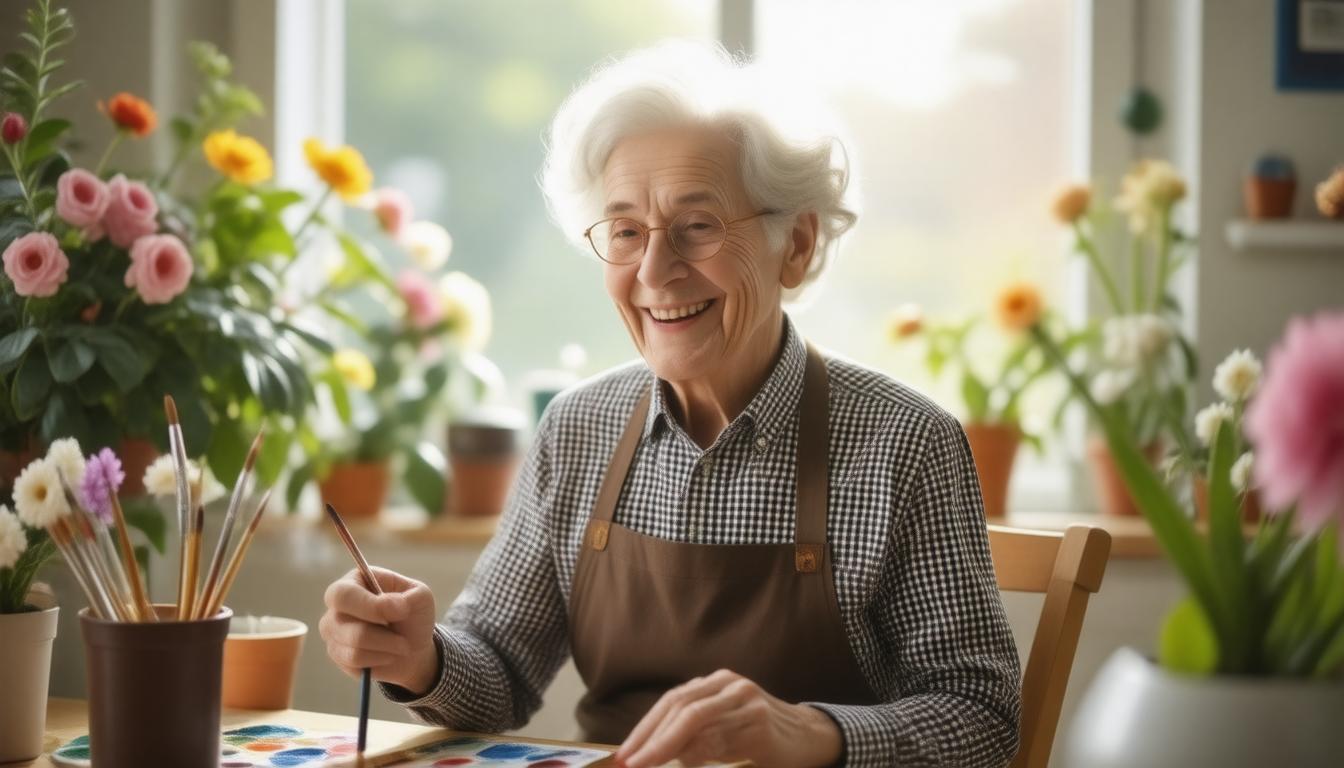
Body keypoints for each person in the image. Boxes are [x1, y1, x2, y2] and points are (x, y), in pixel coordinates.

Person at [320, 41, 1021, 767]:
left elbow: (984, 718)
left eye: (698, 226)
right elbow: (498, 670)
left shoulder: (906, 441)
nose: (654, 271)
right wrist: (420, 658)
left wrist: (808, 735)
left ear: (798, 244)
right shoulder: (577, 429)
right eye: (626, 231)